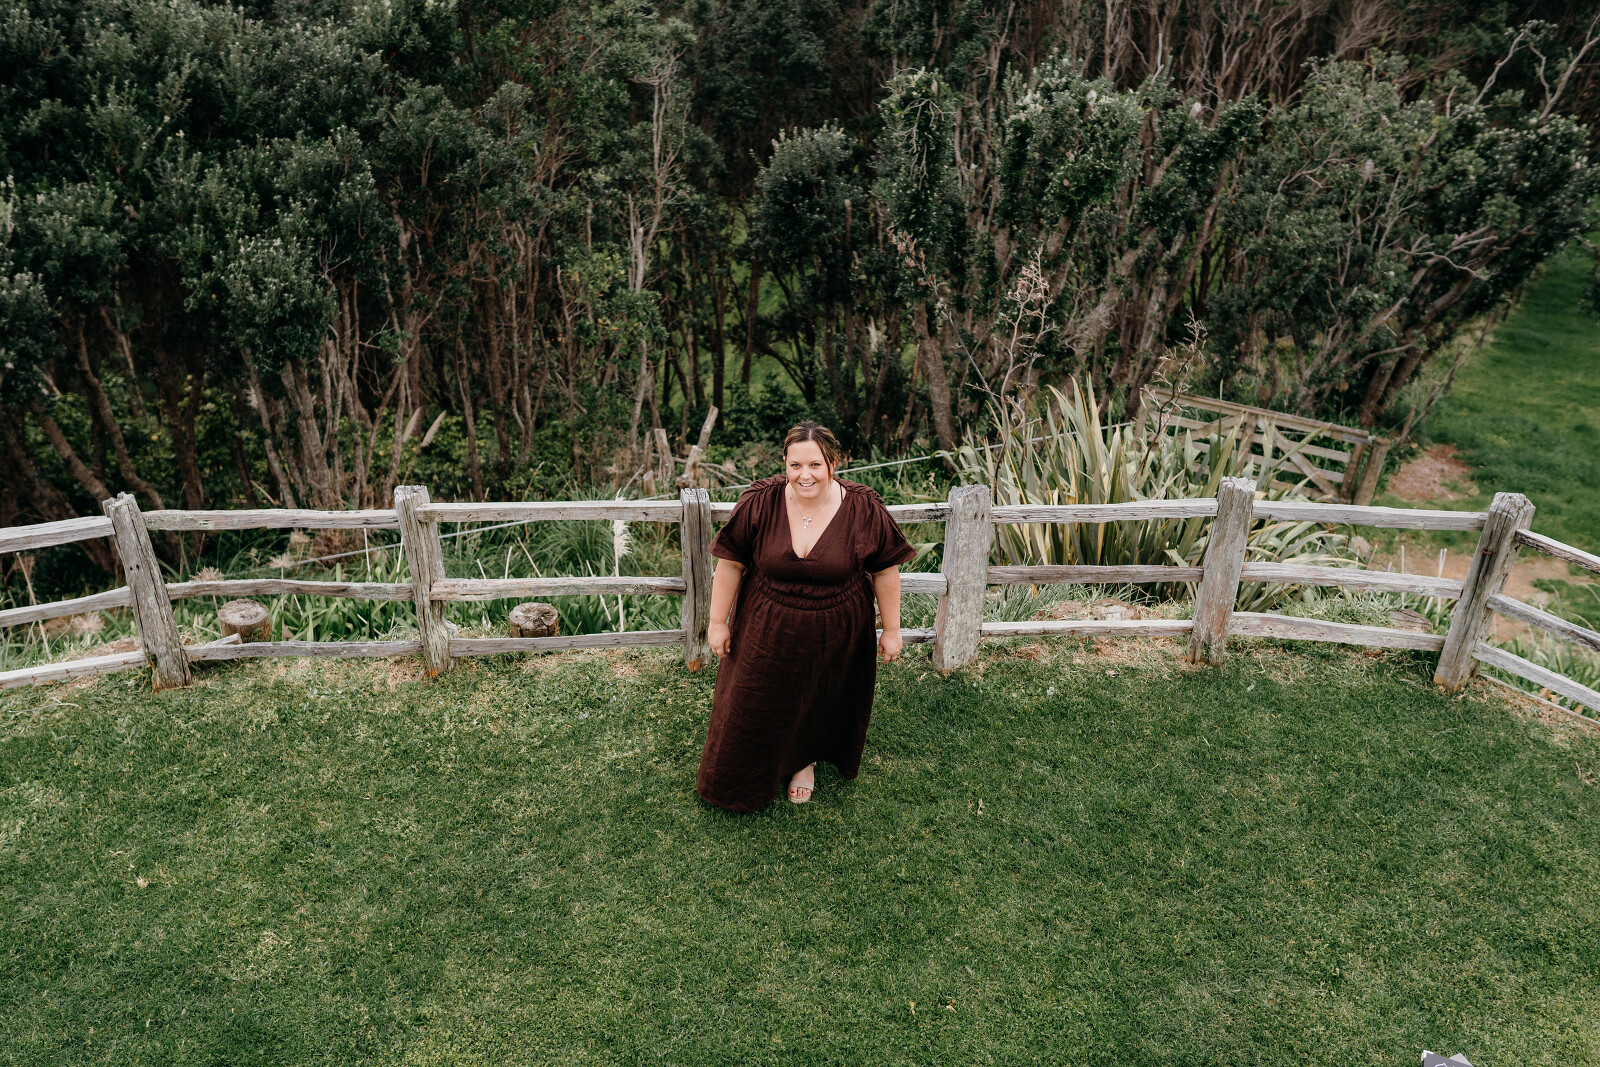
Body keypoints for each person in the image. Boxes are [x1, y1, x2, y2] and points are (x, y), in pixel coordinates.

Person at [696, 421, 917, 811]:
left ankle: (804, 762)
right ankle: (746, 770)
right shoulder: (760, 501)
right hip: (765, 624)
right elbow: (730, 563)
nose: (805, 475)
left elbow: (885, 571)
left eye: (815, 464)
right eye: (795, 465)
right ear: (784, 463)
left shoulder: (864, 507)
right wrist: (717, 622)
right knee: (752, 698)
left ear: (833, 463)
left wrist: (892, 629)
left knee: (818, 697)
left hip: (837, 628)